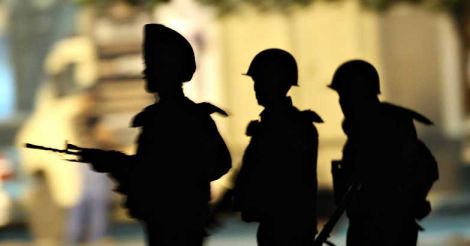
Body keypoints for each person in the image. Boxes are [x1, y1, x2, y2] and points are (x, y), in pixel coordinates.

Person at [77, 23, 232, 246]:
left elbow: (158, 171)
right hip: (176, 220)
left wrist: (118, 164)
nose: (145, 72)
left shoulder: (169, 120)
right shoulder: (176, 117)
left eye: (151, 66)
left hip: (176, 222)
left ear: (167, 71)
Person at [328, 60, 438, 246]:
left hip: (387, 228)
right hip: (366, 225)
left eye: (345, 95)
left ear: (361, 94)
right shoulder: (359, 129)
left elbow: (426, 168)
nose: (342, 102)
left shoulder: (388, 125)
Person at [234, 48, 321, 246]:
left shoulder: (281, 127)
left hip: (284, 228)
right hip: (285, 226)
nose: (255, 88)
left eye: (260, 81)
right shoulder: (291, 124)